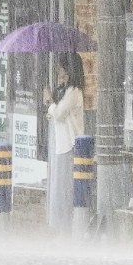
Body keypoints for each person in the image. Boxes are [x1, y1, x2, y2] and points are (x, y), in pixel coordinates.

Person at [43, 53, 85, 234]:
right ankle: (57, 224)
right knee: (57, 184)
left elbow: (59, 114)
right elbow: (53, 115)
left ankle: (65, 224)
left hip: (68, 145)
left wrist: (51, 101)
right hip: (58, 144)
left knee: (64, 186)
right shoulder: (65, 90)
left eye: (61, 68)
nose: (59, 72)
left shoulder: (74, 92)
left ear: (69, 71)